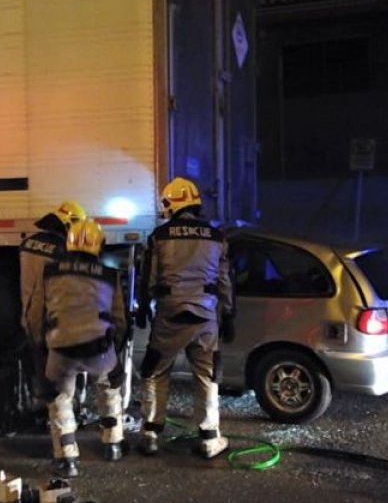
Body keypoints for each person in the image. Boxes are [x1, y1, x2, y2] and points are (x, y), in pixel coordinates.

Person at [136, 177, 234, 459]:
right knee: (207, 375)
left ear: (173, 203)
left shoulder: (160, 236)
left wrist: (144, 308)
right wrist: (229, 314)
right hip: (205, 317)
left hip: (170, 314)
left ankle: (151, 434)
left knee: (155, 370)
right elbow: (225, 279)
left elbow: (149, 278)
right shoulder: (217, 237)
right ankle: (209, 438)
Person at [41, 218, 128, 477]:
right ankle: (112, 443)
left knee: (59, 399)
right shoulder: (109, 275)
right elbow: (120, 318)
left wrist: (40, 342)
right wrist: (117, 351)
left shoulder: (50, 272)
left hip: (60, 349)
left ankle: (67, 458)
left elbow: (37, 311)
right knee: (110, 389)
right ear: (98, 246)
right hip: (99, 349)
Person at [18, 201, 86, 418]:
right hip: (54, 317)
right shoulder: (63, 248)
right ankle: (61, 415)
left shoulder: (28, 242)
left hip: (29, 315)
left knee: (38, 362)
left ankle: (41, 407)